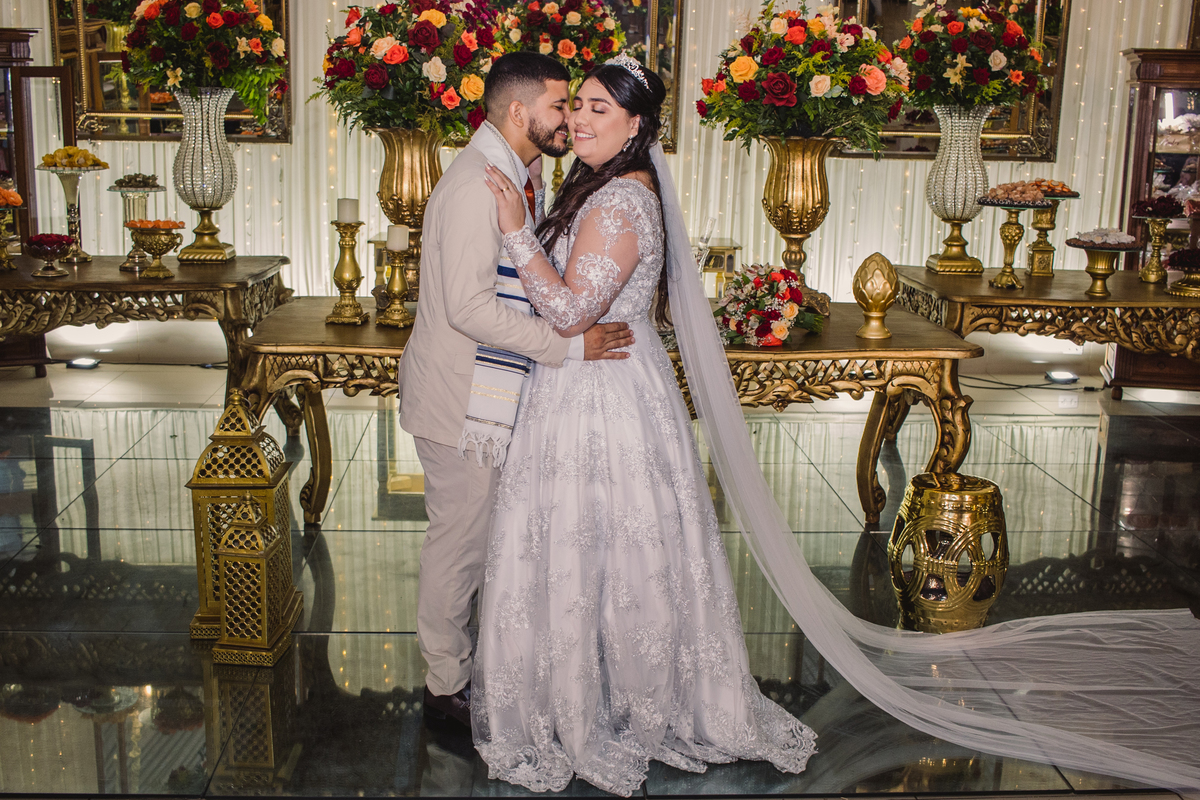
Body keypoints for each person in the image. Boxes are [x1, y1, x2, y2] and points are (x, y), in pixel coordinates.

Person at [472, 56, 817, 796]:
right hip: (594, 382)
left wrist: (516, 233)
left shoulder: (621, 202)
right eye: (578, 104)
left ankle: (614, 701)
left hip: (603, 397)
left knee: (605, 542)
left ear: (635, 125)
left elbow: (571, 312)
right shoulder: (602, 185)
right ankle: (599, 686)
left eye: (599, 109)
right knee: (602, 544)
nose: (579, 119)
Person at [396, 51, 635, 730]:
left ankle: (479, 666)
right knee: (459, 546)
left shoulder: (521, 173)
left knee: (482, 542)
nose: (570, 119)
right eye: (561, 105)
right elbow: (468, 308)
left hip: (492, 391)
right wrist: (567, 348)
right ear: (518, 111)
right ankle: (444, 686)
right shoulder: (478, 184)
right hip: (461, 400)